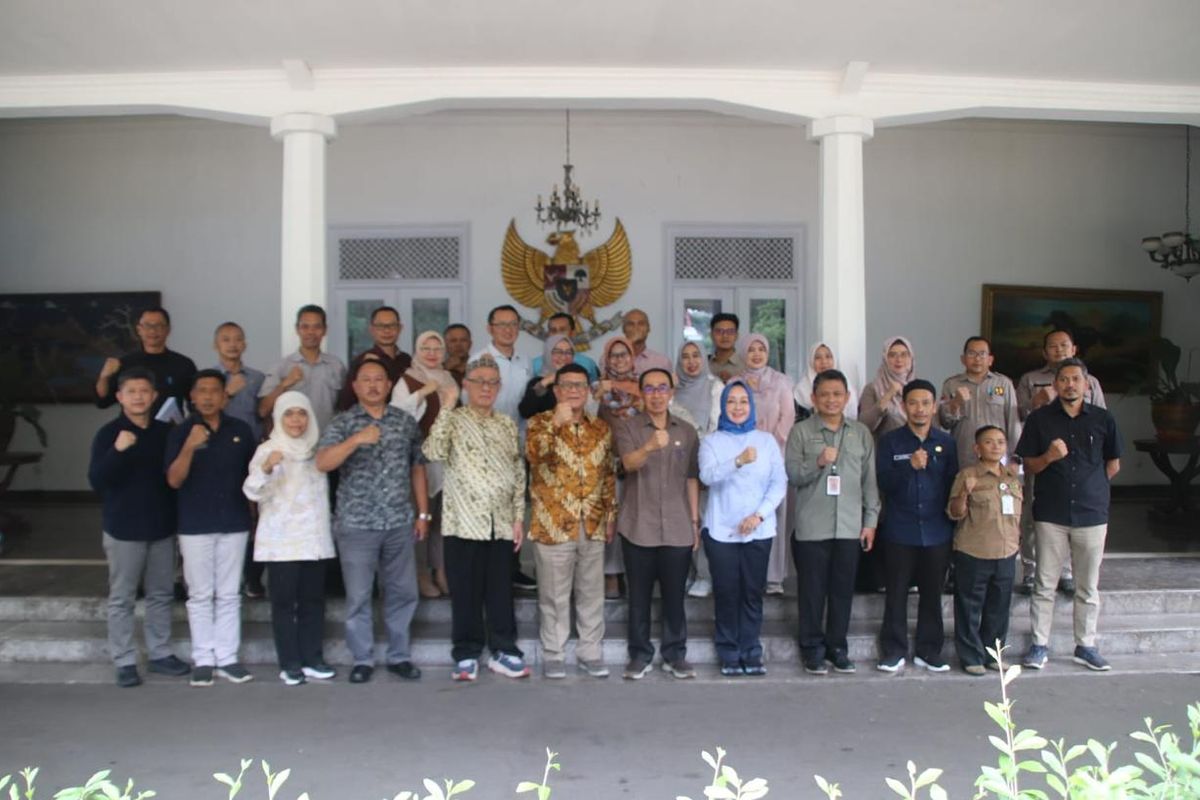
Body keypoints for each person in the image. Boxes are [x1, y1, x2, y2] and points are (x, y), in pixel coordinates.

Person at [316, 359, 430, 684]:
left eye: (379, 379)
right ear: (355, 386)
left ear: (389, 384)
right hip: (356, 524)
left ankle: (399, 656)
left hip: (398, 521)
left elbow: (418, 467)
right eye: (365, 380)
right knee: (358, 596)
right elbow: (322, 462)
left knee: (403, 592)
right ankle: (362, 659)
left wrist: (423, 513)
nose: (373, 385)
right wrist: (354, 441)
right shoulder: (343, 423)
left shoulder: (405, 422)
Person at [422, 355, 529, 681]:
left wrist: (517, 518)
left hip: (500, 524)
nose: (486, 387)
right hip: (462, 524)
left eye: (492, 382)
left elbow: (517, 472)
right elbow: (433, 452)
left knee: (500, 591)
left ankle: (504, 651)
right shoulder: (453, 420)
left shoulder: (507, 424)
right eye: (479, 381)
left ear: (499, 388)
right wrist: (447, 405)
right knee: (465, 592)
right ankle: (466, 653)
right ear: (466, 385)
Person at [88, 367, 191, 688]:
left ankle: (160, 654)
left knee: (161, 594)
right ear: (119, 397)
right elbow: (97, 481)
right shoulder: (109, 434)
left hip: (161, 526)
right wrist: (118, 451)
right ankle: (124, 660)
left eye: (144, 391)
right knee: (122, 597)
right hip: (123, 528)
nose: (138, 397)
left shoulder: (164, 432)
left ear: (154, 396)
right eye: (131, 391)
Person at [1016, 358, 1121, 672]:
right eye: (1064, 379)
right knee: (1045, 583)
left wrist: (1092, 488)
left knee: (1087, 586)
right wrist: (1049, 456)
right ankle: (1039, 645)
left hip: (1091, 513)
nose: (1070, 384)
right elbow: (1030, 465)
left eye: (1076, 379)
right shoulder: (1040, 420)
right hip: (1051, 513)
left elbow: (1113, 465)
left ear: (1086, 385)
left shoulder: (1103, 419)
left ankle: (1085, 645)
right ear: (1055, 384)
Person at [526, 363, 618, 680]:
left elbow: (607, 475)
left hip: (592, 522)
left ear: (589, 390)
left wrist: (610, 517)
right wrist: (555, 423)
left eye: (581, 385)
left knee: (591, 593)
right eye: (568, 385)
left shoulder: (601, 428)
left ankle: (590, 653)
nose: (575, 390)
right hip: (553, 523)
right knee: (553, 594)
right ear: (557, 390)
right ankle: (554, 654)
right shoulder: (539, 423)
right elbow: (535, 456)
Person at [786, 369, 880, 675]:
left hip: (850, 527)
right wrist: (818, 462)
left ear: (847, 398)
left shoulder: (860, 433)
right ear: (813, 398)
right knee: (812, 592)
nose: (831, 400)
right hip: (813, 527)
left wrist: (870, 521)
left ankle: (838, 647)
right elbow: (793, 476)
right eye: (824, 394)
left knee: (842, 591)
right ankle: (811, 648)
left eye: (837, 394)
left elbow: (869, 482)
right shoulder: (800, 432)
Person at [165, 369, 256, 686]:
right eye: (201, 391)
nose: (207, 396)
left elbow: (253, 478)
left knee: (230, 593)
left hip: (234, 521)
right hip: (195, 523)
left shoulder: (241, 430)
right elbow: (174, 479)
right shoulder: (181, 431)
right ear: (192, 396)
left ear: (224, 396)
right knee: (201, 594)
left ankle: (228, 658)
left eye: (214, 391)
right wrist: (190, 445)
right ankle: (204, 658)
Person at [241, 391, 337, 686]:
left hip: (314, 539)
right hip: (282, 542)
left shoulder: (316, 449)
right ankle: (289, 663)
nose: (296, 420)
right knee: (284, 604)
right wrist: (267, 467)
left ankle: (312, 659)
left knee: (313, 601)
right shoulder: (270, 449)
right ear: (278, 418)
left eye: (302, 413)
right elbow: (252, 491)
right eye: (289, 414)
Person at [613, 368, 701, 680]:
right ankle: (640, 655)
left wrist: (694, 522)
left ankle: (675, 654)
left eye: (662, 388)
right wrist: (649, 446)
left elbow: (691, 479)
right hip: (639, 526)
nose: (656, 394)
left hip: (677, 525)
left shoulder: (688, 432)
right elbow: (627, 464)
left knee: (674, 597)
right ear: (641, 393)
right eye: (649, 389)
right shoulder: (628, 428)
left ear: (672, 392)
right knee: (638, 597)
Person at [699, 380, 788, 676]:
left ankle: (751, 651)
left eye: (743, 402)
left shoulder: (766, 441)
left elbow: (779, 483)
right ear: (723, 406)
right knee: (726, 592)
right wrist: (737, 461)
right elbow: (707, 476)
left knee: (752, 593)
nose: (738, 407)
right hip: (722, 531)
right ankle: (728, 652)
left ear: (752, 406)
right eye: (731, 402)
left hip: (758, 531)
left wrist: (759, 516)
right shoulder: (712, 441)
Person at [874, 379, 959, 674]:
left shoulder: (947, 443)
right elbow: (883, 483)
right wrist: (909, 466)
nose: (919, 409)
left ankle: (928, 650)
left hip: (937, 531)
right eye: (913, 403)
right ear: (903, 406)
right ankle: (894, 650)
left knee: (932, 593)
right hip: (900, 529)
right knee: (896, 592)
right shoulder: (890, 442)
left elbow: (952, 485)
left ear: (934, 407)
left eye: (925, 403)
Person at [1014, 328, 1107, 596]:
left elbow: (1102, 418)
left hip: (1082, 462)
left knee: (1075, 518)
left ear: (1074, 349)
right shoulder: (1030, 379)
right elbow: (1017, 415)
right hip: (1042, 458)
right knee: (1035, 514)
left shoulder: (1090, 381)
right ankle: (1031, 570)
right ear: (1044, 352)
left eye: (1064, 345)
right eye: (1053, 347)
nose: (1059, 350)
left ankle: (1066, 572)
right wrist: (1035, 402)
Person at [947, 425, 1022, 675]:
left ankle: (993, 654)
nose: (995, 446)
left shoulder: (1011, 477)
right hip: (974, 551)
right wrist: (964, 494)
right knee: (969, 609)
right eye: (989, 442)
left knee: (999, 608)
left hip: (1006, 552)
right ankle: (970, 657)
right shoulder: (968, 475)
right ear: (977, 448)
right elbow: (954, 513)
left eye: (1000, 442)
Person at [391, 330, 459, 599]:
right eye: (426, 348)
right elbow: (396, 414)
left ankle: (441, 571)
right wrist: (423, 392)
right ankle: (420, 573)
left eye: (437, 348)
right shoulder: (407, 379)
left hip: (447, 460)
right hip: (419, 459)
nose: (432, 354)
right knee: (422, 517)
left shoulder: (449, 378)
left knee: (445, 519)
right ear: (417, 351)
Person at [210, 321, 267, 599]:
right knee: (224, 514)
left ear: (245, 344)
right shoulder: (207, 380)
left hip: (252, 455)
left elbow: (265, 413)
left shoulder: (257, 378)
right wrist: (228, 392)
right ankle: (223, 578)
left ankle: (253, 578)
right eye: (225, 340)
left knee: (255, 517)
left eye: (237, 339)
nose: (232, 345)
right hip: (217, 456)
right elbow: (199, 412)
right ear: (216, 345)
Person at [738, 333, 795, 596]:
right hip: (746, 460)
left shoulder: (782, 382)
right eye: (751, 349)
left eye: (762, 349)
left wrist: (770, 446)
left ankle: (774, 578)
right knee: (746, 513)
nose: (757, 354)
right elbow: (734, 416)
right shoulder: (737, 383)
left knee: (774, 515)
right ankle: (748, 575)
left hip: (775, 457)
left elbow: (788, 417)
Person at [673, 340, 724, 598]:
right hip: (677, 467)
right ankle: (690, 573)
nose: (691, 361)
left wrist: (707, 464)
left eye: (696, 355)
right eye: (685, 357)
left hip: (706, 465)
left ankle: (705, 575)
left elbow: (718, 428)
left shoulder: (715, 388)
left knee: (704, 520)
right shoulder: (672, 392)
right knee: (683, 521)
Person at [95, 307, 196, 418]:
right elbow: (103, 402)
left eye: (158, 326)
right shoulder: (125, 363)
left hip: (172, 432)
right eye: (147, 326)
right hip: (133, 431)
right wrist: (104, 377)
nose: (152, 331)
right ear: (139, 330)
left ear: (168, 330)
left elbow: (196, 403)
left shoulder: (184, 364)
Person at [259, 305, 347, 433]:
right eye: (305, 327)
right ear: (297, 329)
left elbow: (344, 407)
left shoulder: (336, 365)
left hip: (327, 441)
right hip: (292, 444)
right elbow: (263, 410)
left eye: (317, 327)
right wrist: (284, 384)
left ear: (325, 330)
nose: (311, 332)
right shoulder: (281, 366)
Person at [938, 336, 1020, 469]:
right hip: (964, 455)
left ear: (990, 359)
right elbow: (944, 423)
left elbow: (1013, 423)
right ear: (963, 359)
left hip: (997, 458)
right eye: (971, 354)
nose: (977, 359)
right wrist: (956, 403)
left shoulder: (1003, 383)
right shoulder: (951, 384)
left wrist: (1015, 458)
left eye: (982, 354)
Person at [336, 306, 413, 411]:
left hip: (402, 421)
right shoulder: (362, 361)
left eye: (392, 325)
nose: (387, 331)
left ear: (400, 329)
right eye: (381, 326)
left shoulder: (407, 360)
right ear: (371, 330)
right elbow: (346, 402)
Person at [859, 336, 916, 440]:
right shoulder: (872, 388)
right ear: (885, 359)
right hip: (886, 450)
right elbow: (864, 425)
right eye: (892, 355)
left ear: (911, 358)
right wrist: (889, 394)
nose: (898, 360)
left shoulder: (918, 388)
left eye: (904, 355)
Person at [794, 342, 857, 421]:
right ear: (811, 361)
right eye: (817, 358)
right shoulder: (801, 389)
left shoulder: (846, 384)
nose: (824, 361)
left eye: (828, 357)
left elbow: (852, 413)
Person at [530, 312, 599, 382]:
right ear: (548, 334)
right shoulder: (534, 364)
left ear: (573, 333)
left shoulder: (587, 363)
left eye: (562, 330)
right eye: (553, 330)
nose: (558, 334)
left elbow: (592, 390)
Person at [520, 334, 576, 419]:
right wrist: (545, 382)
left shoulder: (579, 380)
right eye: (557, 352)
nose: (563, 357)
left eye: (568, 352)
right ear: (547, 354)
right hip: (544, 431)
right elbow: (526, 412)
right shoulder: (538, 382)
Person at [594, 336, 642, 426]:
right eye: (613, 355)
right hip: (608, 437)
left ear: (632, 356)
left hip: (641, 437)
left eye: (624, 354)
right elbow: (587, 414)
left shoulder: (643, 383)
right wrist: (598, 394)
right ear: (607, 359)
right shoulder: (597, 385)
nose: (619, 359)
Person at [622, 308, 672, 376]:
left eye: (641, 324)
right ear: (624, 329)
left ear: (648, 328)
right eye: (631, 324)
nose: (636, 328)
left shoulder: (662, 362)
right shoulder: (609, 360)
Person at [707, 313, 743, 382]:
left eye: (730, 331)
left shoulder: (746, 365)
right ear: (711, 335)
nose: (725, 336)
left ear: (737, 335)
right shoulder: (703, 365)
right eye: (719, 331)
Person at [443, 323, 473, 387]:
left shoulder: (479, 368)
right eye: (453, 341)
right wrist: (444, 370)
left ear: (470, 344)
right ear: (445, 345)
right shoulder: (437, 370)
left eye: (463, 340)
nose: (458, 345)